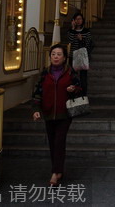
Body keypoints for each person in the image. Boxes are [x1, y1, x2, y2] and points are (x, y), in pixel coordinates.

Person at [32, 44, 81, 187]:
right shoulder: (45, 73)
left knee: (59, 141)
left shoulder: (70, 73)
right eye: (53, 54)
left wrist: (73, 89)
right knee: (53, 142)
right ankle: (58, 169)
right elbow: (37, 92)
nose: (56, 57)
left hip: (65, 113)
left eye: (59, 54)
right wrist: (35, 109)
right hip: (48, 113)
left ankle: (55, 173)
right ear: (50, 57)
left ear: (64, 58)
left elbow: (80, 89)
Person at [66, 12, 93, 94]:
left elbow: (88, 44)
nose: (78, 21)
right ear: (73, 20)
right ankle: (73, 93)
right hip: (72, 56)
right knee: (72, 75)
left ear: (83, 20)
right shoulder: (71, 31)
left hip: (83, 56)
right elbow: (70, 41)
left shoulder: (86, 31)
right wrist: (73, 29)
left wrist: (81, 39)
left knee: (83, 76)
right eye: (76, 19)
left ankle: (83, 94)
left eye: (80, 19)